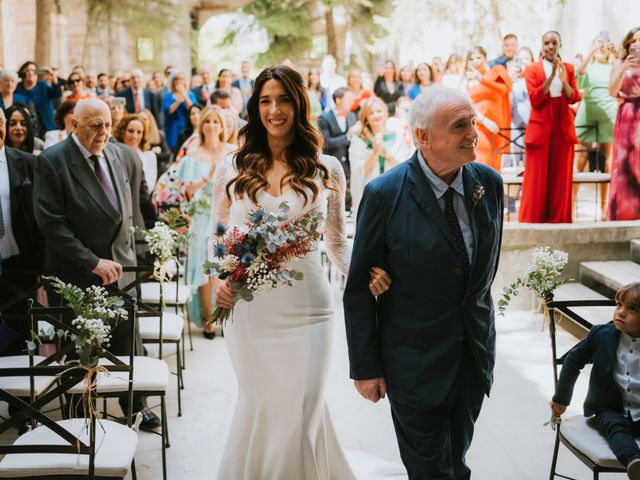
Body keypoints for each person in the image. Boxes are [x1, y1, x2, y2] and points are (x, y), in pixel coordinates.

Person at [210, 65, 393, 480]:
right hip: (249, 311)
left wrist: (365, 277)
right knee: (260, 402)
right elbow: (217, 235)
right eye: (265, 101)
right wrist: (223, 277)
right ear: (255, 108)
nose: (275, 110)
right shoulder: (231, 168)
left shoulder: (327, 168)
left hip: (309, 310)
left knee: (304, 404)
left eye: (284, 99)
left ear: (299, 104)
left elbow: (336, 242)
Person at [344, 85, 504, 480]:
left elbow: (482, 272)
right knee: (433, 471)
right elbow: (358, 289)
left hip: (472, 358)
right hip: (413, 362)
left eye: (473, 122)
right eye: (460, 126)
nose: (474, 133)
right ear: (423, 137)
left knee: (454, 460)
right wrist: (366, 367)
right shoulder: (384, 194)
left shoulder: (490, 184)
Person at [33, 98, 160, 428]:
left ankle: (134, 407)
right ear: (74, 125)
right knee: (80, 353)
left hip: (120, 269)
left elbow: (125, 206)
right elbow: (52, 224)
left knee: (127, 341)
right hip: (77, 274)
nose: (104, 132)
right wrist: (91, 261)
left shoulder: (116, 153)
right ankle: (79, 421)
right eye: (95, 126)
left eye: (107, 124)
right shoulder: (52, 161)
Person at [550, 282, 640, 480]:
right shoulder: (601, 335)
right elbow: (572, 361)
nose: (621, 313)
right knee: (614, 427)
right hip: (610, 408)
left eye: (632, 309)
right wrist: (561, 399)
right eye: (619, 305)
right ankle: (634, 462)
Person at [175, 106, 235, 338]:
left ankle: (227, 317)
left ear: (222, 126)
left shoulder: (232, 152)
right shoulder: (194, 154)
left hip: (227, 217)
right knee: (205, 270)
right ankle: (209, 319)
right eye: (207, 121)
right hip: (201, 217)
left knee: (225, 268)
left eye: (215, 121)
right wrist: (207, 176)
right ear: (201, 126)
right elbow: (187, 190)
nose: (211, 125)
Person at [519, 31, 581, 223]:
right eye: (547, 43)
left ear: (560, 45)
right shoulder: (531, 69)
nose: (551, 47)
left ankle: (559, 219)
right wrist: (552, 74)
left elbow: (573, 97)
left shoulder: (569, 68)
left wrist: (562, 79)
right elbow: (535, 98)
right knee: (536, 177)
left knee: (561, 176)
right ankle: (534, 220)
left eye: (554, 43)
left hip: (562, 125)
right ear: (541, 45)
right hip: (540, 125)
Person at [0, 107, 43, 350]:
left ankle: (22, 385)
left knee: (22, 332)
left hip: (19, 264)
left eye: (0, 122)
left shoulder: (26, 162)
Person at [573, 35, 619, 218]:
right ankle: (571, 207)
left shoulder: (613, 65)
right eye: (598, 42)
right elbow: (579, 77)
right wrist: (591, 52)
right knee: (580, 159)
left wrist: (617, 54)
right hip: (587, 114)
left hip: (609, 115)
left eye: (604, 43)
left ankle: (604, 209)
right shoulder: (588, 65)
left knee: (609, 162)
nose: (601, 46)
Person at [348, 96, 407, 212]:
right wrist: (375, 153)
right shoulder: (358, 140)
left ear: (385, 113)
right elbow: (357, 171)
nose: (376, 115)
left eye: (379, 111)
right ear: (365, 118)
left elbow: (405, 166)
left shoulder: (396, 137)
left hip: (394, 191)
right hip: (371, 193)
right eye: (371, 113)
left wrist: (387, 154)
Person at [607, 26, 640, 221]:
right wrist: (623, 70)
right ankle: (623, 213)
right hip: (627, 116)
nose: (638, 44)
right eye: (634, 40)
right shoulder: (620, 62)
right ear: (628, 43)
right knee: (625, 164)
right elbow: (612, 91)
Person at [463, 46, 512, 171]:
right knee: (482, 165)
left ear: (485, 58)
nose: (476, 61)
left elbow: (503, 89)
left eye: (479, 57)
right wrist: (485, 120)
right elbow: (466, 105)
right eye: (472, 59)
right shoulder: (467, 81)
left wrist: (481, 78)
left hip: (497, 126)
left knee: (496, 168)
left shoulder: (496, 71)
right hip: (479, 126)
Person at [318, 87, 357, 210]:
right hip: (333, 164)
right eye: (349, 98)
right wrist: (347, 136)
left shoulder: (352, 116)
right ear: (338, 100)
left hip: (350, 164)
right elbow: (326, 142)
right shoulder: (325, 118)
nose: (352, 101)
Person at [15, 61, 62, 134]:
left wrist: (53, 76)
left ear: (37, 74)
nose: (30, 73)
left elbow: (57, 94)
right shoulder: (17, 88)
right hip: (26, 129)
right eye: (27, 70)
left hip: (47, 127)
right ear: (22, 74)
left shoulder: (42, 85)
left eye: (33, 71)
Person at [114, 113, 158, 189]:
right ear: (122, 131)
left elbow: (149, 187)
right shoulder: (113, 153)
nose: (134, 136)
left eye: (139, 132)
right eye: (130, 131)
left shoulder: (149, 156)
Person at [508, 47, 534, 168]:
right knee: (514, 166)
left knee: (530, 164)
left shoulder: (535, 79)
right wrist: (509, 80)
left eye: (527, 58)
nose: (524, 61)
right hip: (515, 125)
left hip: (532, 125)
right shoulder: (511, 79)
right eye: (521, 58)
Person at [162, 71, 197, 152]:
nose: (179, 81)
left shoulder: (191, 95)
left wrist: (184, 94)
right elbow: (169, 111)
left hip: (187, 127)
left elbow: (193, 108)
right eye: (176, 79)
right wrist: (179, 99)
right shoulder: (168, 96)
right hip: (173, 129)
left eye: (181, 79)